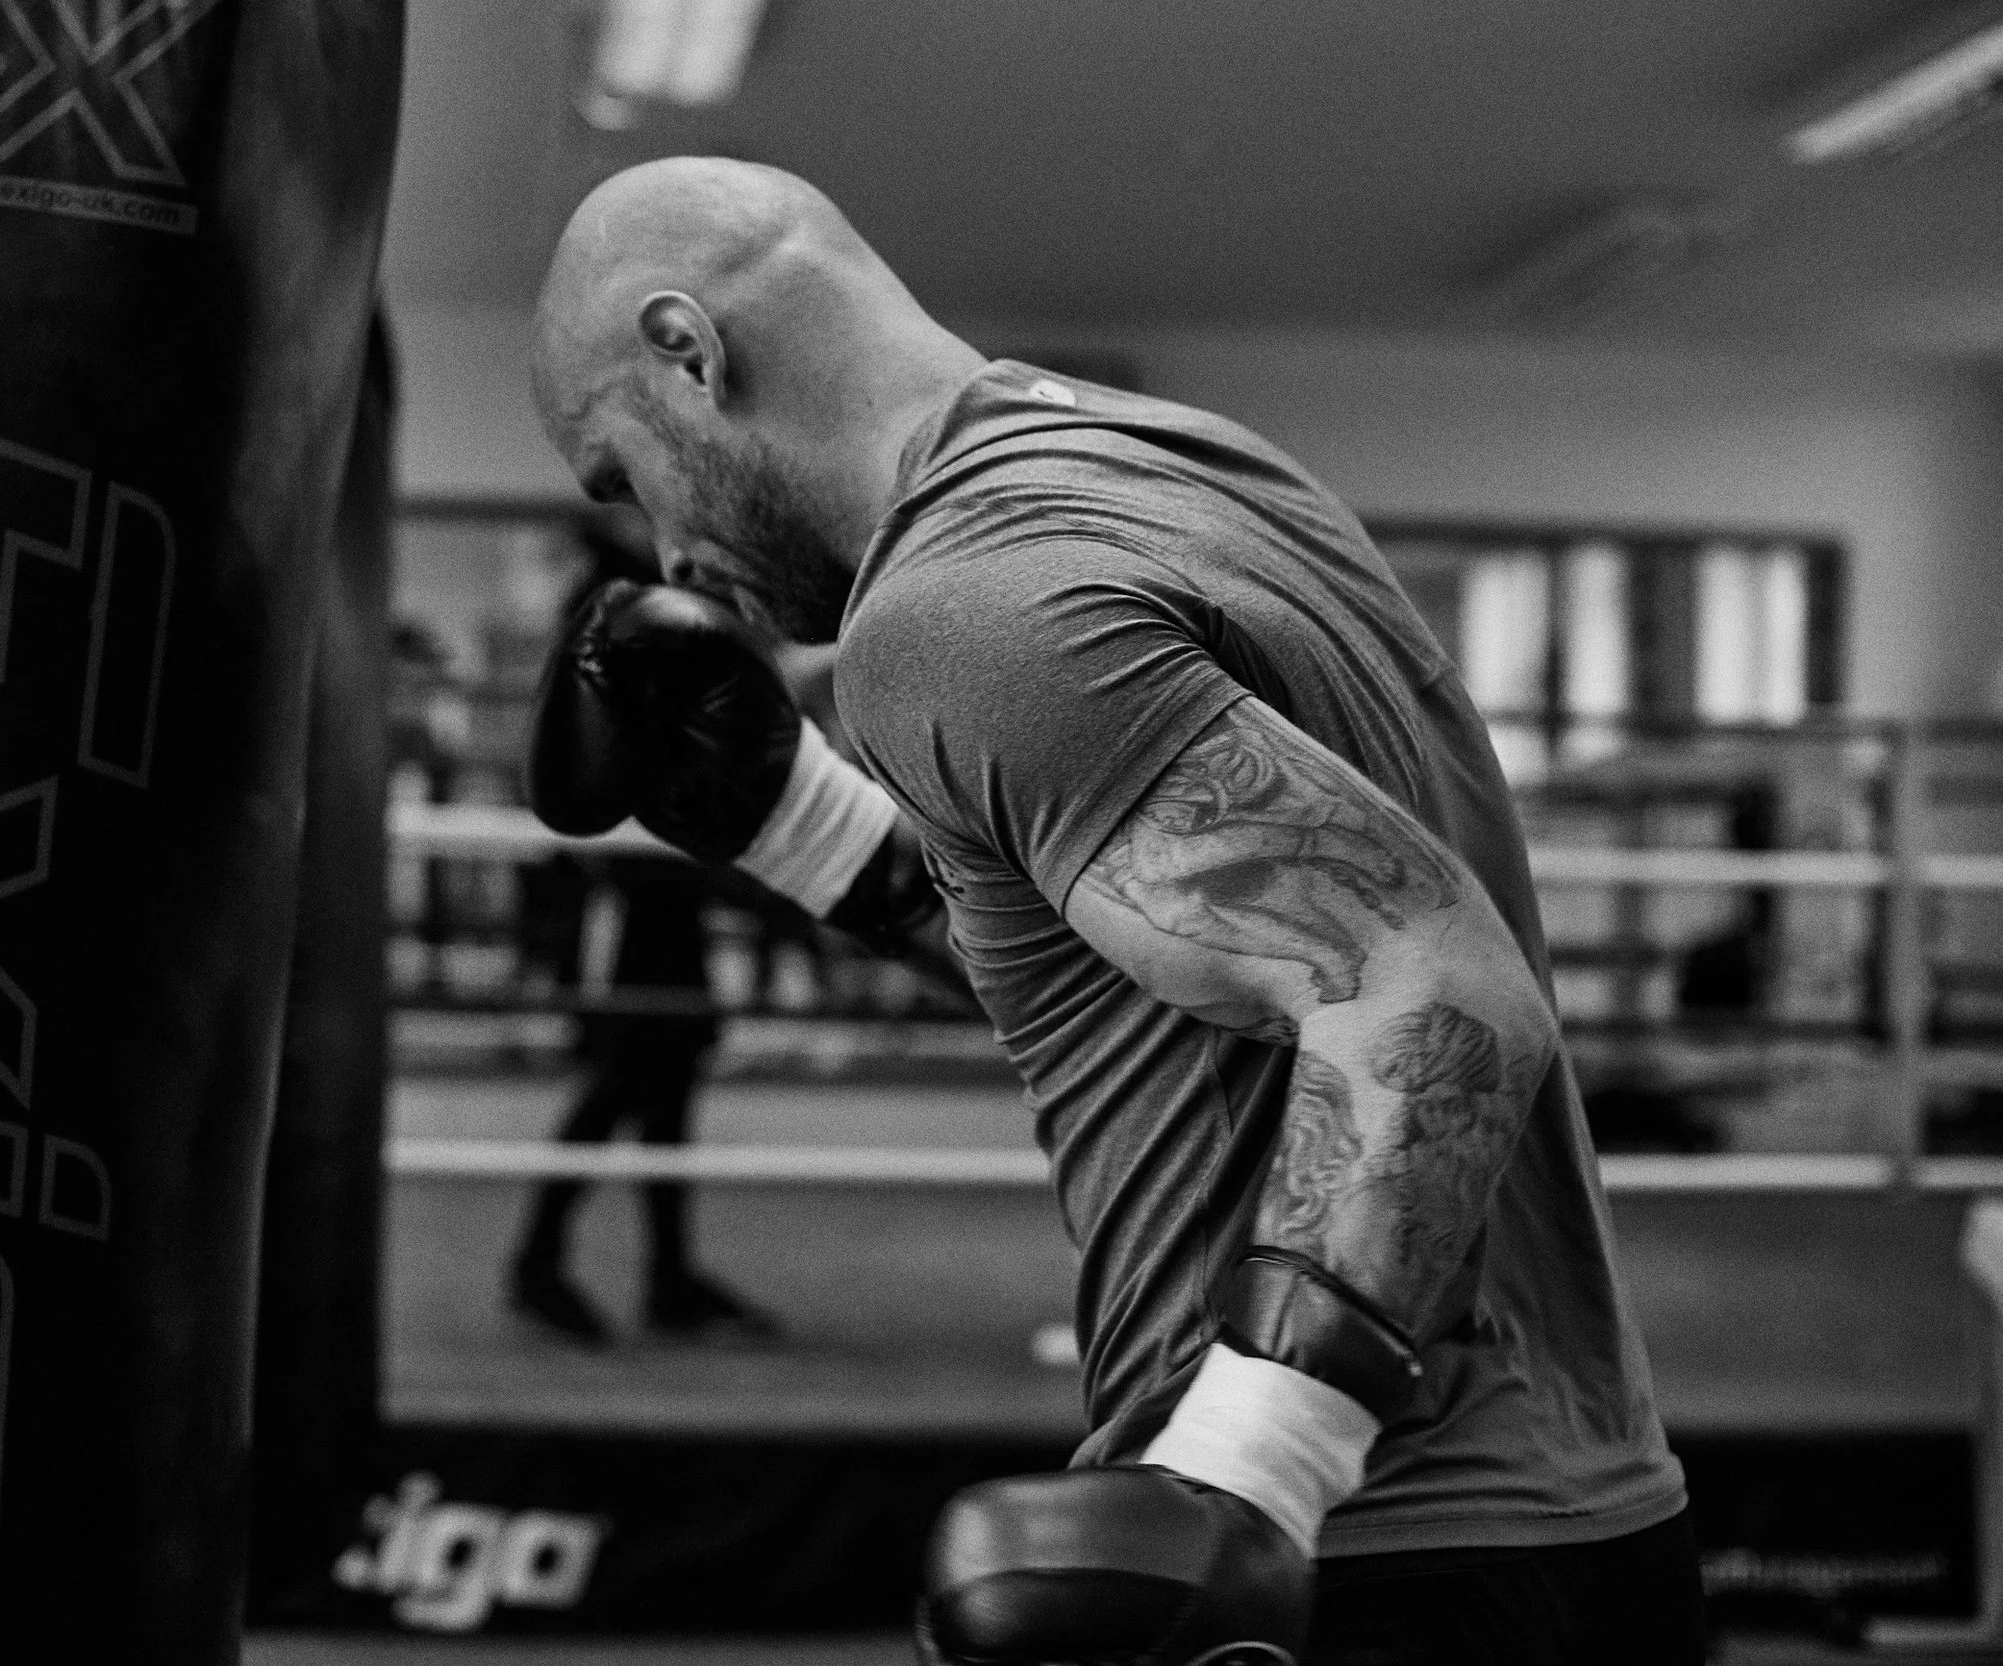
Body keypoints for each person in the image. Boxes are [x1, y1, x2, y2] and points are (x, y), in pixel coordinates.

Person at [522, 158, 1699, 1664]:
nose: (669, 555)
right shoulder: (1197, 468)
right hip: (1589, 1517)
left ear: (689, 350)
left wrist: (1250, 1475)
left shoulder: (955, 606)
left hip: (1368, 1557)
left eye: (623, 475)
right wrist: (799, 827)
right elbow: (1181, 957)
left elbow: (1434, 985)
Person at [509, 524, 781, 1346]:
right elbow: (589, 802)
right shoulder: (603, 660)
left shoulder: (643, 658)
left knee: (670, 1088)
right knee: (621, 1081)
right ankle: (537, 1263)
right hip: (629, 903)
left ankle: (668, 1277)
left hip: (666, 895)